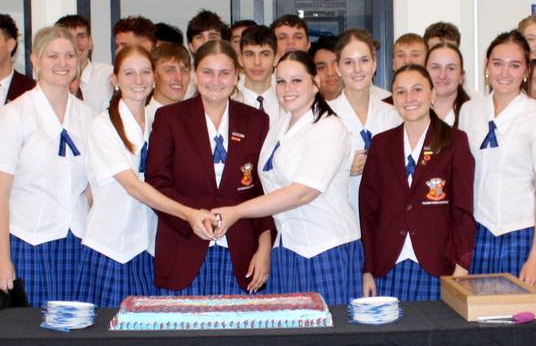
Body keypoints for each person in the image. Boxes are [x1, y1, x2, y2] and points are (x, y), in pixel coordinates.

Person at [211, 51, 361, 305]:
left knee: (329, 328)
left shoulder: (329, 128)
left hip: (326, 249)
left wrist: (236, 212)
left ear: (315, 83)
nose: (287, 88)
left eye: (296, 81)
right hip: (286, 250)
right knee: (288, 328)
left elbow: (302, 193)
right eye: (281, 81)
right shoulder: (279, 125)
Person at [77, 45, 215, 307]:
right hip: (112, 247)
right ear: (116, 80)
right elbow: (134, 186)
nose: (138, 80)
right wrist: (188, 213)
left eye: (145, 72)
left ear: (154, 78)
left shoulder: (160, 120)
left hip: (150, 246)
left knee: (149, 326)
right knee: (112, 328)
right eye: (129, 73)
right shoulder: (103, 126)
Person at [146, 40, 274, 296]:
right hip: (184, 246)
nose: (216, 81)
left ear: (236, 76)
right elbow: (157, 182)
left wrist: (265, 248)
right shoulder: (170, 118)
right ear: (195, 74)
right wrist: (190, 216)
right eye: (207, 72)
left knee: (239, 322)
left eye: (224, 73)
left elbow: (263, 190)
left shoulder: (256, 121)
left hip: (242, 253)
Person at [0, 26, 94, 307]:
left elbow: (92, 187)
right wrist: (3, 258)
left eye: (69, 55)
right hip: (30, 239)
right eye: (52, 56)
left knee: (78, 322)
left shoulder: (87, 115)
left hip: (77, 237)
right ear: (35, 60)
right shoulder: (15, 114)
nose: (62, 63)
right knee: (34, 325)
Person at [360, 64, 475, 301]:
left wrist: (461, 266)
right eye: (400, 92)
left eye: (417, 90)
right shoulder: (381, 145)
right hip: (388, 266)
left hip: (437, 265)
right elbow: (368, 212)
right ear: (393, 99)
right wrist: (368, 269)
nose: (409, 98)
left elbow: (463, 211)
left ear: (432, 94)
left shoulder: (454, 141)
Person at [458, 30, 536, 289]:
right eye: (497, 63)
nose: (505, 73)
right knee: (476, 311)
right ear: (486, 66)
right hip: (477, 231)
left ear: (526, 71)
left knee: (518, 311)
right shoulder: (469, 111)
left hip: (521, 233)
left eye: (514, 65)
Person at [328, 29, 401, 217]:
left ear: (374, 64)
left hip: (386, 217)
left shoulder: (394, 116)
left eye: (364, 60)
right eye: (348, 62)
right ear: (337, 68)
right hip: (342, 219)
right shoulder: (325, 116)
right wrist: (346, 168)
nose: (357, 69)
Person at [56, 15, 114, 114]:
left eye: (81, 37)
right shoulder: (52, 80)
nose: (76, 43)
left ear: (90, 42)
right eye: (69, 37)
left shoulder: (109, 75)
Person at [236, 25, 281, 125]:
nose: (257, 62)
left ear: (276, 59)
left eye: (265, 54)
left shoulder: (288, 96)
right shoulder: (228, 98)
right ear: (240, 59)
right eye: (249, 54)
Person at [146, 42, 191, 124]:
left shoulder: (195, 118)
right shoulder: (143, 121)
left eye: (184, 70)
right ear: (153, 75)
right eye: (169, 70)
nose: (179, 78)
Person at [426, 42, 469, 126]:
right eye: (435, 67)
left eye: (451, 68)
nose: (442, 76)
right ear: (424, 73)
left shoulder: (476, 114)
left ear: (461, 76)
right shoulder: (409, 112)